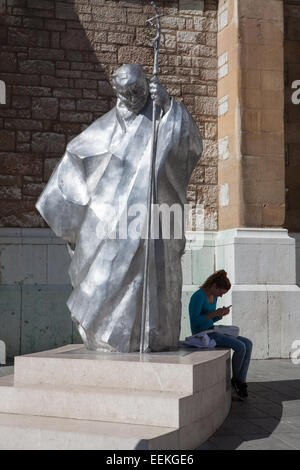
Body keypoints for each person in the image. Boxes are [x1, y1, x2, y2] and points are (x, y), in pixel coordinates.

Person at [36, 63, 203, 353]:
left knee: (143, 277)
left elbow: (190, 145)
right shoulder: (104, 127)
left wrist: (169, 107)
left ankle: (148, 335)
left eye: (138, 91)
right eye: (126, 93)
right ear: (116, 91)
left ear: (146, 85)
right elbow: (77, 156)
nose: (133, 97)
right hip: (106, 222)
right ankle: (105, 333)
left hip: (149, 221)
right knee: (103, 279)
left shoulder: (161, 112)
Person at [189, 270, 253, 399]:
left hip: (212, 330)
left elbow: (211, 320)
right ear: (213, 286)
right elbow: (195, 322)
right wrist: (214, 314)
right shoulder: (199, 296)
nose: (221, 296)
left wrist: (220, 315)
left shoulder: (214, 297)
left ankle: (241, 380)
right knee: (240, 346)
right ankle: (236, 381)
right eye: (220, 292)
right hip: (202, 334)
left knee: (248, 343)